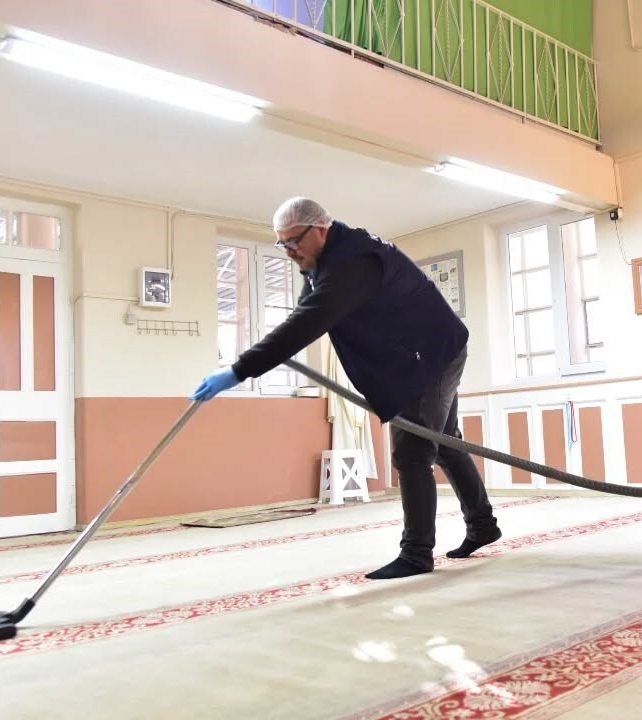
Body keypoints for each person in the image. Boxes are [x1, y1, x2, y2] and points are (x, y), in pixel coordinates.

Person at [191, 198, 501, 580]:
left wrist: (238, 370)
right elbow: (304, 315)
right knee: (446, 442)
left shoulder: (353, 262)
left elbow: (307, 322)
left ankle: (417, 553)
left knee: (413, 451)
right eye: (281, 244)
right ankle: (483, 524)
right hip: (418, 353)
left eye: (293, 241)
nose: (288, 251)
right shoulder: (322, 262)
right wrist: (252, 361)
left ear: (319, 229)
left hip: (431, 354)